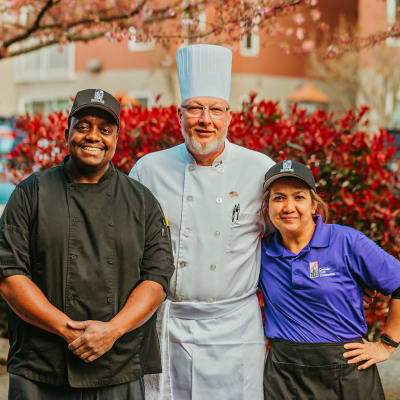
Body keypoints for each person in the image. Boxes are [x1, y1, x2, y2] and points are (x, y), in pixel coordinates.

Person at [0, 89, 174, 399]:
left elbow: (157, 279)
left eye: (104, 130)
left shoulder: (142, 201)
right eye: (83, 126)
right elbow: (10, 275)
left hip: (117, 366)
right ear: (67, 134)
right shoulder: (30, 193)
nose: (93, 136)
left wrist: (113, 330)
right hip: (41, 366)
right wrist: (66, 329)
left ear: (116, 139)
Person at [129, 44, 275, 399]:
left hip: (234, 328)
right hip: (169, 323)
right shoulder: (148, 169)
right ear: (179, 115)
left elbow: (281, 242)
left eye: (214, 110)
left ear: (229, 116)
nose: (204, 119)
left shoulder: (259, 170)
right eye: (194, 109)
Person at [259, 159, 400, 400]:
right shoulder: (260, 252)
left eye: (299, 197)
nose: (288, 206)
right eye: (279, 198)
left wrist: (387, 344)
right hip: (284, 375)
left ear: (314, 204)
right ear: (267, 207)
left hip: (347, 371)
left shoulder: (346, 242)